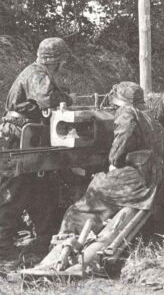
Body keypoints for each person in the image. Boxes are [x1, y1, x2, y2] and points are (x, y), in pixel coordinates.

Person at [57, 81, 164, 238]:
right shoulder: (150, 115)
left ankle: (68, 238)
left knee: (82, 204)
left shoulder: (127, 113)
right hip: (155, 176)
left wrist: (112, 163)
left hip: (137, 181)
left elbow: (120, 146)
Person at [0, 37, 75, 267]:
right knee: (15, 188)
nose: (63, 64)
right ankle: (3, 248)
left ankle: (43, 239)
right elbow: (47, 99)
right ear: (56, 60)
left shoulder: (39, 73)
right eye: (62, 60)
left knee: (41, 188)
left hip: (29, 136)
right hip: (18, 138)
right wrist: (67, 98)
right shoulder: (37, 74)